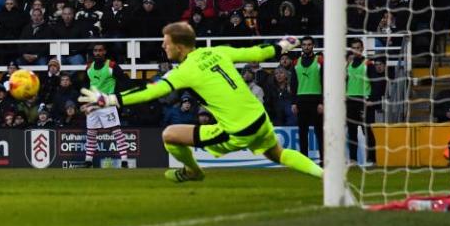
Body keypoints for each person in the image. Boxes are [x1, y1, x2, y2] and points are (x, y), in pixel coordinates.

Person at [80, 22, 322, 182]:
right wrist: (282, 45)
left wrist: (110, 99)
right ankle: (326, 177)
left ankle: (193, 171)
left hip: (237, 129)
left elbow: (150, 92)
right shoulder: (217, 51)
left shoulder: (185, 70)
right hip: (259, 117)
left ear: (179, 45)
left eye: (166, 42)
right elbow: (257, 53)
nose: (163, 46)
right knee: (277, 154)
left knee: (170, 135)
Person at [80, 43, 130, 168]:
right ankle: (88, 161)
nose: (97, 53)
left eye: (100, 50)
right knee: (91, 133)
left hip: (107, 103)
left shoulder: (112, 66)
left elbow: (124, 81)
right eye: (95, 51)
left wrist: (117, 98)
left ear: (105, 52)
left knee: (116, 131)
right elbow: (86, 85)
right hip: (92, 103)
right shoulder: (89, 67)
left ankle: (124, 160)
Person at [292, 36, 323, 163]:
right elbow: (293, 84)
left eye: (309, 44)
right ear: (301, 46)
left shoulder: (320, 61)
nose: (307, 47)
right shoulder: (296, 62)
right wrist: (293, 102)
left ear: (313, 46)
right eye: (304, 44)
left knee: (319, 131)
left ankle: (323, 159)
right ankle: (304, 159)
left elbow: (324, 81)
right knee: (302, 132)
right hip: (301, 100)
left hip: (316, 100)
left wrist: (322, 102)